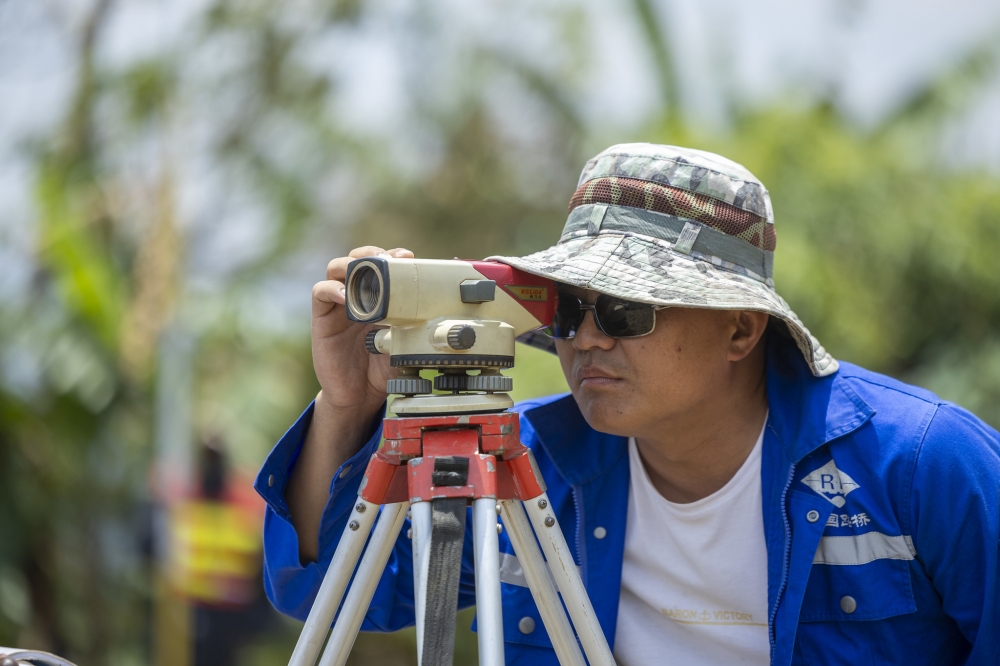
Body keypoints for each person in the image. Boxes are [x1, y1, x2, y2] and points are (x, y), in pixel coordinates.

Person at [255, 143, 1000, 665]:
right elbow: (330, 594)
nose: (584, 339)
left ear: (739, 328)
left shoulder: (922, 465)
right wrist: (346, 405)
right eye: (570, 308)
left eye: (624, 313)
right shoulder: (517, 467)